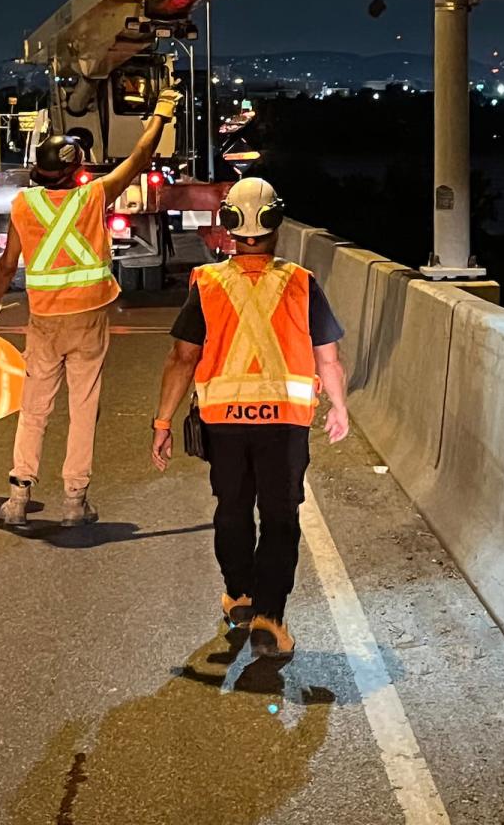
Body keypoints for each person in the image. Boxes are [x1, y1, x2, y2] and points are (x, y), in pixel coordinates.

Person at [151, 176, 349, 659]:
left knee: (232, 509)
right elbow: (328, 357)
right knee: (280, 517)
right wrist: (339, 407)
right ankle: (269, 618)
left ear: (228, 226)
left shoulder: (208, 283)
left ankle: (240, 596)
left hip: (225, 422)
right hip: (284, 422)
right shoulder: (303, 283)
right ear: (276, 223)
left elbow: (182, 357)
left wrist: (162, 423)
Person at [0, 87, 180, 528]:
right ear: (74, 169)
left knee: (35, 410)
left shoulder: (24, 204)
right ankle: (74, 500)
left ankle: (17, 497)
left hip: (44, 321)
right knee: (83, 407)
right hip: (88, 321)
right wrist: (160, 113)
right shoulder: (93, 197)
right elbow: (140, 157)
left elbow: (8, 265)